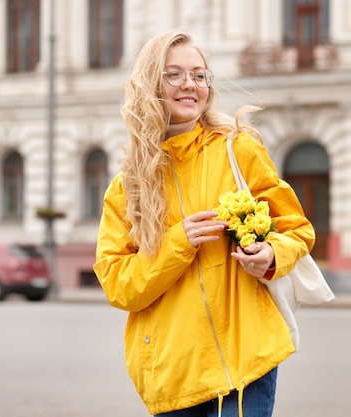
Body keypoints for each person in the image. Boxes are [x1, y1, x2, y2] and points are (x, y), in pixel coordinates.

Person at [93, 29, 315, 417]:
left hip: (246, 358)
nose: (189, 85)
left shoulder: (238, 149)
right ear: (149, 84)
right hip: (171, 368)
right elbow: (118, 286)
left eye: (199, 75)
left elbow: (296, 227)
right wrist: (180, 242)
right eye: (174, 74)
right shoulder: (126, 187)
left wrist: (271, 254)